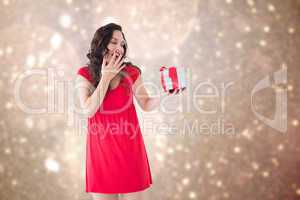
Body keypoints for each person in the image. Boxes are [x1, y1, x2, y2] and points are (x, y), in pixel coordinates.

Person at [75, 23, 182, 200]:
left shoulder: (131, 72)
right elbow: (88, 110)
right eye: (114, 42)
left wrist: (165, 93)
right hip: (101, 155)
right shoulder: (84, 74)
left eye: (122, 44)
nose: (119, 48)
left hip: (131, 152)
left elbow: (146, 104)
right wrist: (106, 77)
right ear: (101, 44)